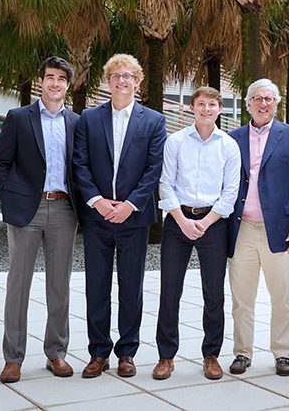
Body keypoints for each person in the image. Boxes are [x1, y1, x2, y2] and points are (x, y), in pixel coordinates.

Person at [72, 54, 167, 379]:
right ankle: (98, 353)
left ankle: (127, 351)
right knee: (96, 287)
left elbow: (154, 169)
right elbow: (79, 165)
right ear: (107, 81)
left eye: (128, 76)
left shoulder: (153, 120)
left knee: (132, 288)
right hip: (97, 219)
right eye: (115, 75)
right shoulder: (88, 118)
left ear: (137, 81)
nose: (122, 80)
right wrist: (97, 201)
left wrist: (130, 204)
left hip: (134, 219)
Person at [0, 56, 80, 383]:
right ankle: (13, 358)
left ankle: (56, 353)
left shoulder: (76, 122)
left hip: (63, 211)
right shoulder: (18, 118)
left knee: (60, 285)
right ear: (40, 81)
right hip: (25, 211)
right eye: (50, 77)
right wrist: (10, 197)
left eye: (61, 78)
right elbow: (1, 163)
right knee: (19, 285)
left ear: (67, 85)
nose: (55, 83)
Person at [152, 87, 241, 380]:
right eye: (201, 104)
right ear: (191, 108)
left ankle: (211, 355)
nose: (206, 109)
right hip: (178, 221)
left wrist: (206, 222)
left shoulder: (229, 146)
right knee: (170, 290)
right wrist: (182, 220)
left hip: (214, 224)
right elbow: (165, 185)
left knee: (214, 294)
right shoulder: (175, 141)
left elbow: (230, 193)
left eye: (212, 104)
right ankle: (166, 356)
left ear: (220, 109)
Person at [227, 78, 289, 377]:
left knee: (282, 297)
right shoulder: (232, 138)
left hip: (281, 229)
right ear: (248, 103)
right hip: (242, 229)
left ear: (277, 103)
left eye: (269, 99)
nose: (264, 104)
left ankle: (282, 354)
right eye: (257, 99)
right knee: (242, 298)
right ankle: (242, 352)